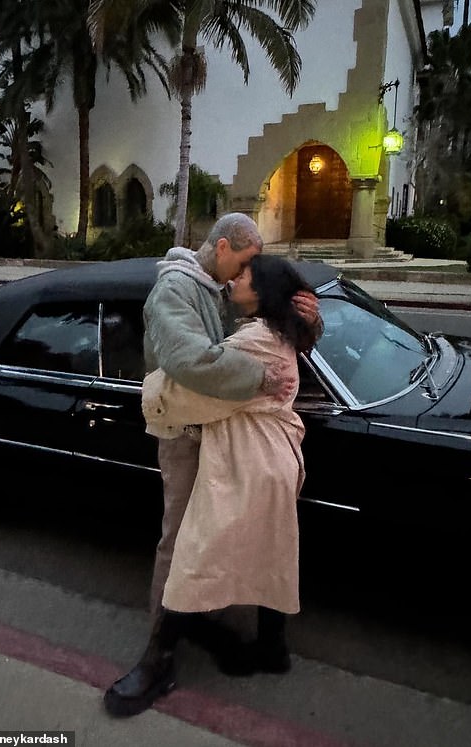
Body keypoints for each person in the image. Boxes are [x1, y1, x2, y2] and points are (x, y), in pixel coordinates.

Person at [103, 213, 321, 718]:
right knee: (184, 543)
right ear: (223, 248)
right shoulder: (176, 290)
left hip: (233, 441)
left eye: (252, 272)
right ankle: (162, 649)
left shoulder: (229, 291)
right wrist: (259, 379)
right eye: (245, 263)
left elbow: (278, 328)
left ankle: (216, 630)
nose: (248, 273)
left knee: (230, 542)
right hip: (190, 437)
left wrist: (309, 316)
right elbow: (193, 364)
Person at [141, 253, 318, 672]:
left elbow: (194, 390)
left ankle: (160, 653)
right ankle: (274, 651)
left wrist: (149, 388)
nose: (235, 280)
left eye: (244, 275)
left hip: (247, 462)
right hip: (274, 459)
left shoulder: (252, 340)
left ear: (261, 292)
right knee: (268, 556)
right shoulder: (280, 330)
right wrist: (310, 322)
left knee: (195, 559)